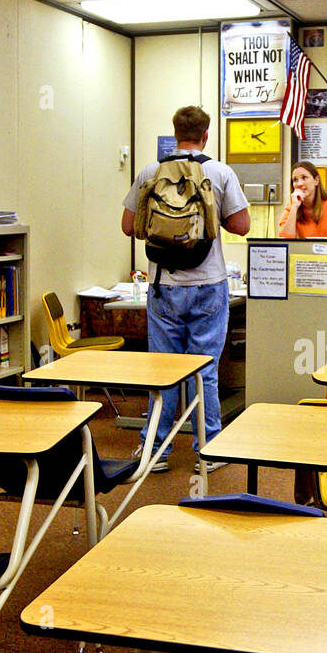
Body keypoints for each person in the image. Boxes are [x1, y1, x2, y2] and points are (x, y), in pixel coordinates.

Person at [121, 106, 250, 473]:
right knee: (203, 370)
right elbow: (242, 225)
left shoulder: (151, 172)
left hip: (164, 286)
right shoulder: (220, 171)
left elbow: (128, 226)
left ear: (175, 133)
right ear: (206, 135)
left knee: (162, 370)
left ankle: (156, 452)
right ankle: (208, 452)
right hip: (208, 284)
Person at [277, 161, 327, 240]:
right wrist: (294, 208)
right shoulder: (291, 207)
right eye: (295, 180)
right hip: (303, 252)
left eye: (304, 178)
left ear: (316, 180)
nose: (299, 183)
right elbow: (285, 241)